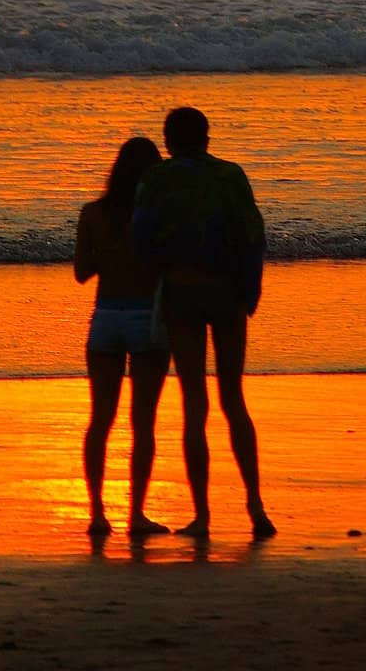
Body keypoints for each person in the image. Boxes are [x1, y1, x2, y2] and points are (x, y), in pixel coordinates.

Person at [132, 106, 276, 540]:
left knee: (194, 403)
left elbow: (141, 239)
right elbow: (254, 236)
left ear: (169, 142)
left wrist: (158, 273)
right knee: (234, 399)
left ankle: (203, 515)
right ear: (207, 138)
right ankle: (255, 505)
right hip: (227, 293)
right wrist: (249, 294)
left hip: (182, 291)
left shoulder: (156, 179)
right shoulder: (231, 175)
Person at [74, 136, 171, 538]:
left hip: (106, 317)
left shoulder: (93, 213)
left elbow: (82, 272)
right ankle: (135, 514)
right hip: (147, 317)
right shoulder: (159, 215)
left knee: (101, 419)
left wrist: (108, 254)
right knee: (142, 423)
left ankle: (97, 512)